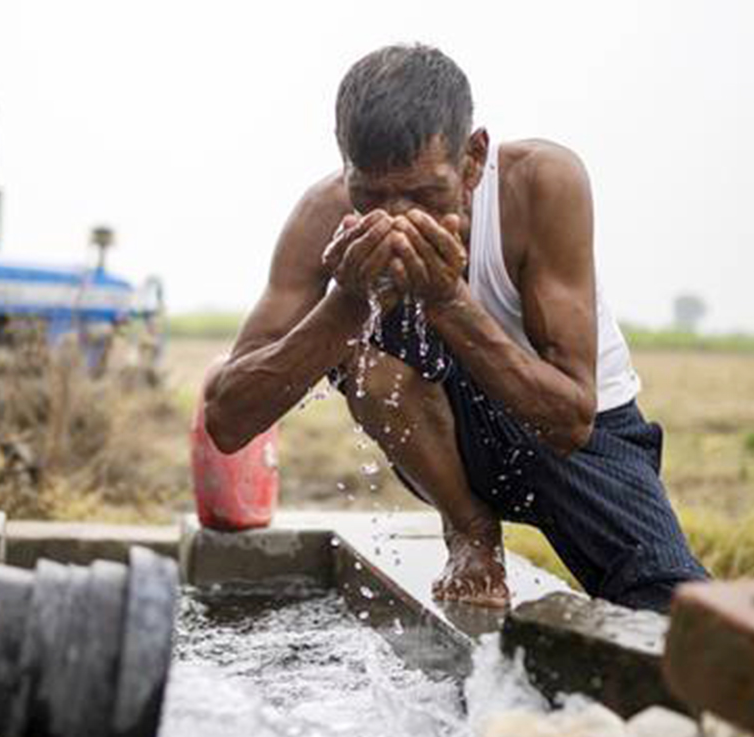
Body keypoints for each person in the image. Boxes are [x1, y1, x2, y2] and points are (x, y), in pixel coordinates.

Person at [203, 44, 709, 612]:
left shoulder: (540, 185)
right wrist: (347, 303)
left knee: (671, 608)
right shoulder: (324, 215)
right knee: (370, 360)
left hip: (577, 437)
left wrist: (447, 298)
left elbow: (570, 420)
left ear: (473, 158)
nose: (397, 218)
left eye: (424, 195)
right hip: (444, 439)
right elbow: (227, 418)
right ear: (346, 166)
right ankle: (470, 530)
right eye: (370, 195)